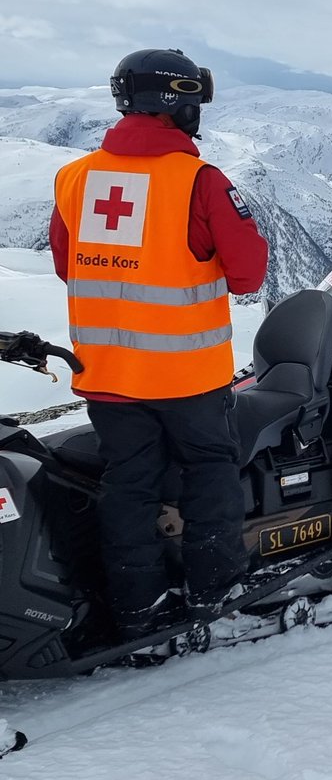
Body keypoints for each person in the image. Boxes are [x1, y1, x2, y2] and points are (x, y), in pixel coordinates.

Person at [50, 48, 268, 638]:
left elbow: (71, 268)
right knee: (209, 474)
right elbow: (248, 275)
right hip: (186, 376)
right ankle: (215, 591)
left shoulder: (74, 178)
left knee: (128, 484)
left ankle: (136, 602)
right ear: (178, 103)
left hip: (107, 375)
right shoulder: (199, 181)